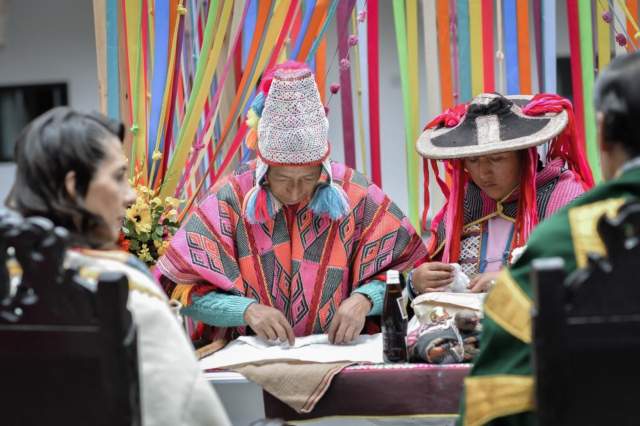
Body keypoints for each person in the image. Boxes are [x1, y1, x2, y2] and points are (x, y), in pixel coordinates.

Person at [154, 61, 427, 346]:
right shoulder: (231, 197)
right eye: (283, 178)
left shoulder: (355, 194)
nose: (296, 191)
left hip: (338, 356)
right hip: (248, 360)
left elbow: (410, 274)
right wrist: (246, 311)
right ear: (263, 168)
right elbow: (180, 290)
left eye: (309, 177)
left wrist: (364, 299)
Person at [6, 107, 231, 426]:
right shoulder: (128, 298)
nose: (131, 195)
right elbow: (187, 415)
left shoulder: (9, 290)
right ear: (74, 187)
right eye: (117, 176)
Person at [458, 52, 640, 425]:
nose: (483, 172)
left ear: (602, 133)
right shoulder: (465, 207)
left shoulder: (565, 239)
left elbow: (492, 405)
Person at [409, 93, 594, 297]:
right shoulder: (466, 203)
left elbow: (587, 272)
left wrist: (514, 280)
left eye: (497, 158)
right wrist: (417, 281)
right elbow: (434, 267)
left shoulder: (562, 198)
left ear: (524, 155)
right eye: (473, 160)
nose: (483, 172)